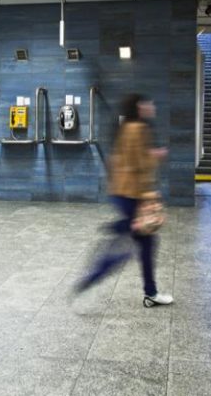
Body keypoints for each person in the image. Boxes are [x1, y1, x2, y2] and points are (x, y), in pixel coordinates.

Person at [75, 94, 173, 307]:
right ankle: (91, 279)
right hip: (133, 196)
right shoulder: (139, 129)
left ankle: (150, 292)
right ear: (139, 107)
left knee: (145, 243)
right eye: (148, 103)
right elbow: (140, 166)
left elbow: (118, 160)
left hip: (121, 194)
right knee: (132, 245)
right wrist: (155, 156)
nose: (151, 106)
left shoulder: (125, 128)